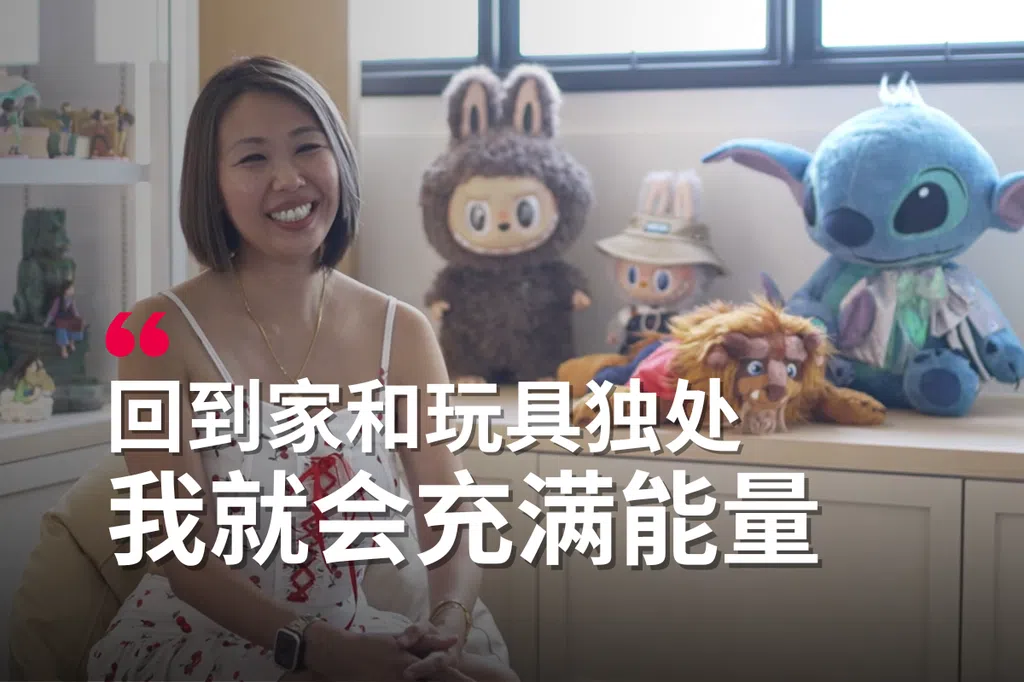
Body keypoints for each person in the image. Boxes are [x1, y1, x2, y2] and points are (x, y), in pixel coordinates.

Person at [87, 55, 520, 682]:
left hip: (348, 630)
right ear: (211, 183)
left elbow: (449, 515)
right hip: (197, 636)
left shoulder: (401, 331)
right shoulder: (154, 332)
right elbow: (180, 555)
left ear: (338, 159)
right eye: (253, 158)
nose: (288, 179)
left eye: (307, 147)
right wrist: (315, 649)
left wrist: (446, 626)